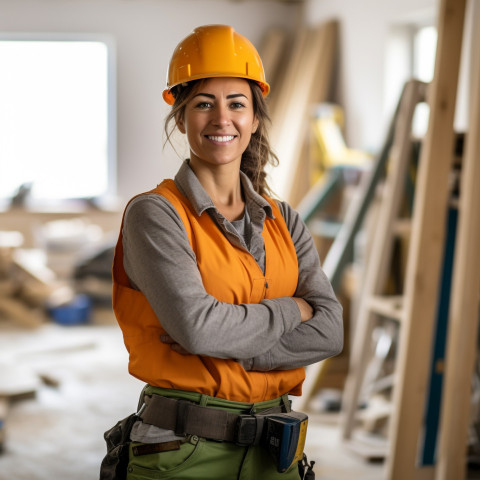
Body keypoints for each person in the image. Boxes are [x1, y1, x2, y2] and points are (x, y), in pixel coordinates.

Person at [106, 24, 343, 480]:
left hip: (276, 452)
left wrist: (232, 343)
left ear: (254, 118)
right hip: (182, 453)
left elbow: (331, 332)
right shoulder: (156, 215)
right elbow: (198, 330)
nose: (221, 119)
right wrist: (295, 308)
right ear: (180, 116)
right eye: (203, 104)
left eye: (237, 103)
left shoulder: (285, 220)